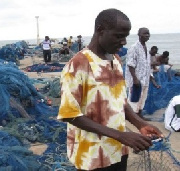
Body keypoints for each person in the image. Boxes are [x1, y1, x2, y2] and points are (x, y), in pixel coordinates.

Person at [58, 9, 162, 170]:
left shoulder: (116, 59)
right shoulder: (78, 64)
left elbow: (121, 102)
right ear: (100, 30)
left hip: (118, 150)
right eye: (118, 36)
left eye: (126, 36)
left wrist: (140, 123)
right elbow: (70, 115)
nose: (123, 42)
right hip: (91, 155)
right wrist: (121, 135)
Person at [125, 27, 153, 120]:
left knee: (143, 98)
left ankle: (139, 115)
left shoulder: (147, 48)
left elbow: (147, 64)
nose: (147, 35)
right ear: (139, 35)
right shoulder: (134, 48)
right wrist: (135, 79)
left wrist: (151, 77)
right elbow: (130, 64)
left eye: (148, 33)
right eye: (145, 33)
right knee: (134, 99)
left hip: (145, 79)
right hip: (136, 79)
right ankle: (132, 117)